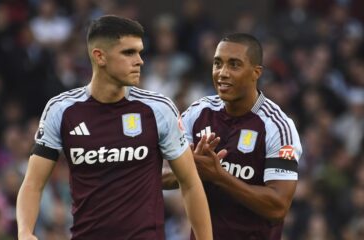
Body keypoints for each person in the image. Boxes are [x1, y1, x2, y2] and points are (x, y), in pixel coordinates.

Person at [16, 15, 212, 240]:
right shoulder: (61, 110)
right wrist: (24, 231)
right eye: (129, 52)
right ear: (99, 56)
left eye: (139, 52)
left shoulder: (158, 109)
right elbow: (32, 184)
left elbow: (190, 182)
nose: (139, 60)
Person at [163, 33, 302, 239]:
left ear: (256, 72)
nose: (222, 73)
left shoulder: (278, 126)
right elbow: (163, 175)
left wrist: (219, 176)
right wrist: (191, 170)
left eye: (234, 65)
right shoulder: (197, 113)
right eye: (217, 63)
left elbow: (278, 206)